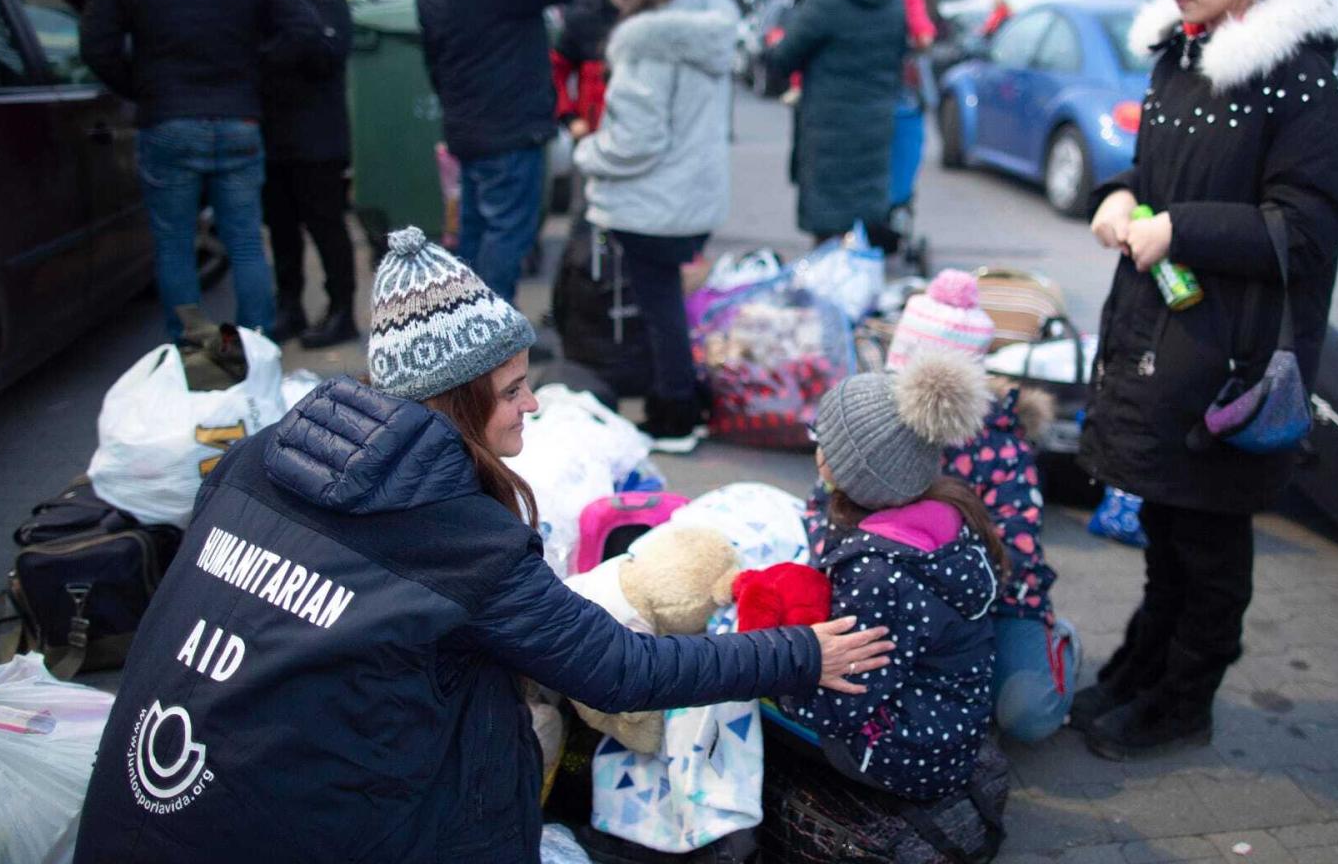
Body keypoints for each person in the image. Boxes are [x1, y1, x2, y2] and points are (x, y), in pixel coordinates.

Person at [72, 228, 896, 863]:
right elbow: (624, 669)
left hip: (139, 810)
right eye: (511, 390)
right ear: (452, 402)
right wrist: (796, 652)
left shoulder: (259, 458)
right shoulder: (458, 545)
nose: (534, 406)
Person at [1071, 0, 1338, 761]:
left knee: (1208, 540)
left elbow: (1310, 229)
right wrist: (1120, 194)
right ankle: (1142, 668)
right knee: (1165, 523)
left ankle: (1183, 700)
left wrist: (1183, 227)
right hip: (1165, 330)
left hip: (1231, 357)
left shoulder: (1300, 80)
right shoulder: (1182, 52)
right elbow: (1162, 174)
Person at [804, 270, 1074, 743]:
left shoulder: (1001, 450)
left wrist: (929, 593)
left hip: (981, 603)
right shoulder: (874, 427)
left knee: (1025, 715)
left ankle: (1060, 646)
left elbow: (1018, 557)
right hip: (893, 590)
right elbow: (819, 506)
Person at [82, 0, 332, 343]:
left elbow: (96, 46)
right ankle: (256, 351)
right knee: (247, 243)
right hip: (238, 118)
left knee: (176, 246)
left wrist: (145, 88)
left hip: (167, 120)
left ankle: (200, 360)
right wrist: (253, 73)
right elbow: (304, 31)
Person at [777, 352, 1001, 801]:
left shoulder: (878, 573)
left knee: (740, 698)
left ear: (850, 469)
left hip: (901, 755)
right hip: (946, 730)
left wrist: (769, 672)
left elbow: (840, 704)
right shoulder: (949, 511)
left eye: (823, 439)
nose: (817, 447)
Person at [573, 0, 733, 454]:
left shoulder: (649, 45)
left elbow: (636, 141)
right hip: (688, 197)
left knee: (661, 309)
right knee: (668, 306)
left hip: (653, 203)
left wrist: (586, 152)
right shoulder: (706, 31)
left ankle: (676, 415)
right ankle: (682, 400)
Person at [417, 0, 581, 304]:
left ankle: (470, 335)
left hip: (469, 127)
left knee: (473, 236)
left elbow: (433, 59)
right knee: (506, 236)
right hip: (507, 131)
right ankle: (496, 346)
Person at [238, 0, 359, 349]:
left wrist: (281, 42)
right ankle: (290, 307)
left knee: (326, 227)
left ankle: (342, 309)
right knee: (282, 230)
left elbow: (331, 52)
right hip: (270, 134)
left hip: (316, 138)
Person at [764, 0, 907, 243]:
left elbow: (782, 60)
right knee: (859, 232)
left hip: (830, 133)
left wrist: (774, 38)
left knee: (829, 237)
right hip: (875, 125)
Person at [552, 0, 631, 142]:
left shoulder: (648, 18)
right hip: (592, 136)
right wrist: (568, 117)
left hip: (636, 136)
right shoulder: (584, 15)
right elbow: (555, 70)